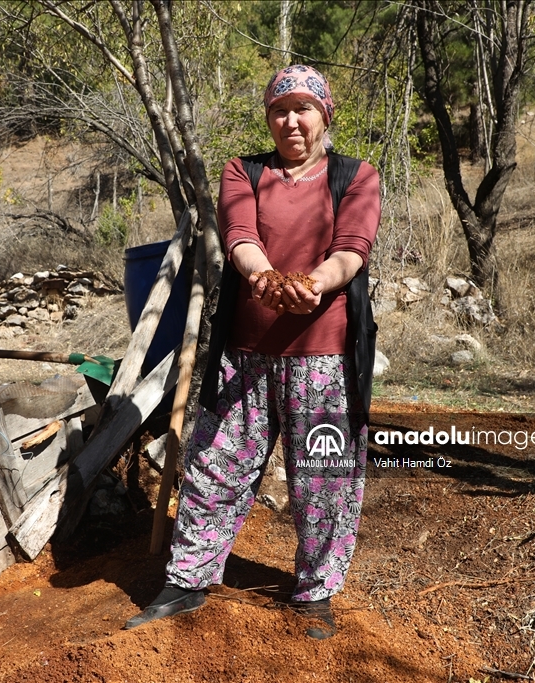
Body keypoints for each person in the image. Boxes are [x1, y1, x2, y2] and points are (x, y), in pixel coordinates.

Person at [125, 64, 380, 639]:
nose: (291, 120)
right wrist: (266, 279)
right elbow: (240, 237)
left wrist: (312, 285)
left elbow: (352, 250)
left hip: (324, 360)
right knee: (213, 467)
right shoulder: (243, 171)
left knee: (323, 477)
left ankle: (316, 593)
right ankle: (186, 582)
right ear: (268, 118)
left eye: (303, 108)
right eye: (279, 110)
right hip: (244, 356)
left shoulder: (357, 176)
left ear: (324, 116)